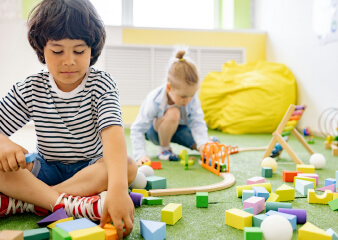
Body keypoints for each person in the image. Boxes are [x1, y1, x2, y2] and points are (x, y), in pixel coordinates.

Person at [0, 0, 137, 238]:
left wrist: (117, 189)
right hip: (45, 168)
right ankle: (66, 203)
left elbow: (113, 135)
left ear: (92, 50)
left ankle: (32, 201)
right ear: (41, 48)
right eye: (57, 51)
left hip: (90, 169)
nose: (68, 61)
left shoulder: (101, 84)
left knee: (126, 166)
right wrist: (4, 144)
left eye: (79, 50)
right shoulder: (31, 88)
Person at [130, 50, 210, 166]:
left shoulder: (191, 99)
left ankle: (208, 140)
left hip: (179, 130)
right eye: (183, 96)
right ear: (169, 88)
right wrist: (140, 154)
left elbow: (197, 122)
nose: (188, 100)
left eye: (191, 96)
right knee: (174, 113)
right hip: (155, 132)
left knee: (200, 146)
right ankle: (164, 149)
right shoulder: (154, 100)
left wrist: (203, 143)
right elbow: (138, 129)